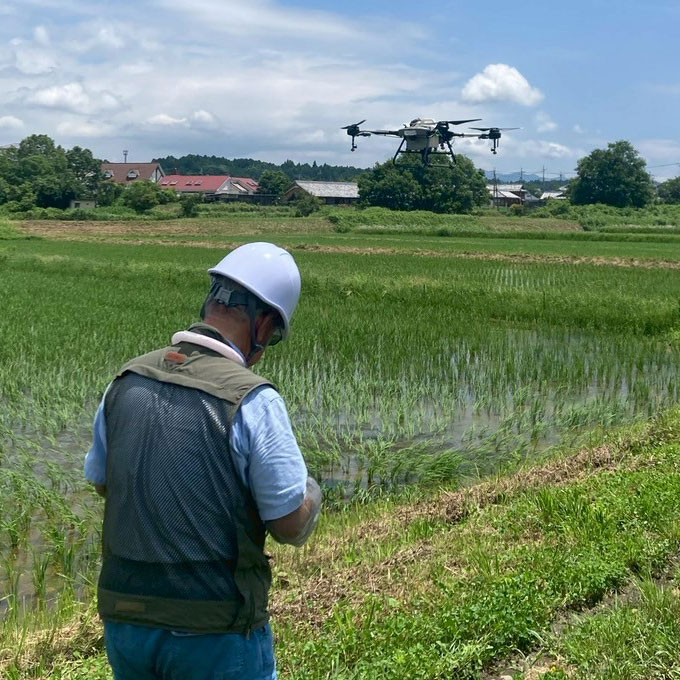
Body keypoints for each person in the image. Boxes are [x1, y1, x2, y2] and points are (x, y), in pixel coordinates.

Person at [84, 242, 322, 680]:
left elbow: (103, 482)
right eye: (273, 336)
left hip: (125, 619)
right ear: (264, 323)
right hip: (215, 629)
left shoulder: (126, 380)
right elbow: (289, 524)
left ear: (211, 301)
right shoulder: (253, 399)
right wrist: (311, 492)